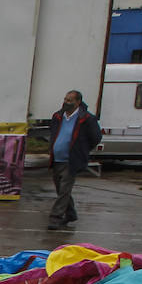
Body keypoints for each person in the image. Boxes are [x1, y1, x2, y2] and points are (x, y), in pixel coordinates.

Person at [46, 89, 101, 231]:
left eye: (70, 100)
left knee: (64, 189)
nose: (66, 102)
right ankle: (70, 214)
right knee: (61, 189)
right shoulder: (58, 116)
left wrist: (81, 150)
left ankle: (55, 217)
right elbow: (53, 133)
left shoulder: (87, 119)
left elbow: (96, 137)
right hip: (57, 158)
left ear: (78, 102)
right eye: (65, 99)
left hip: (71, 160)